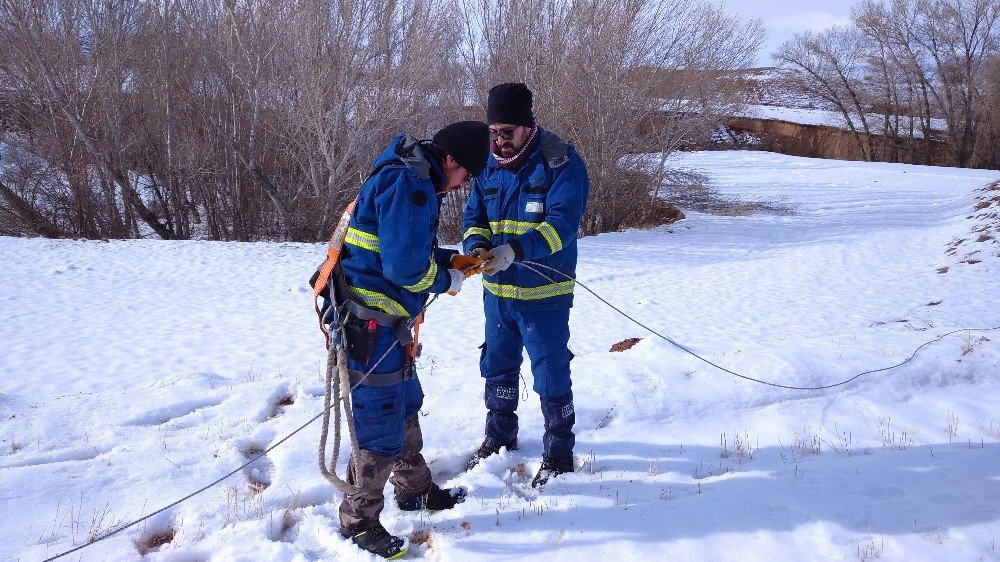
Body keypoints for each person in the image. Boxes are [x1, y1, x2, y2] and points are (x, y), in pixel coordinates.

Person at [334, 121, 489, 559]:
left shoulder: (410, 175)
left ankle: (413, 490)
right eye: (466, 176)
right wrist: (448, 279)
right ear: (452, 161)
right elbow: (404, 270)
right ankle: (359, 520)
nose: (463, 186)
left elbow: (402, 248)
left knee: (404, 404)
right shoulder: (412, 186)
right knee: (380, 419)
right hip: (371, 326)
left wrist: (452, 259)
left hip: (388, 324)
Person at [461, 83, 590, 488]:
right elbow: (473, 217)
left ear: (528, 125)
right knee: (497, 366)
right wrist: (477, 245)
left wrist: (517, 250)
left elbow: (563, 226)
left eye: (507, 132)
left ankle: (559, 453)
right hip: (497, 296)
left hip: (544, 297)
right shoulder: (487, 165)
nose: (498, 141)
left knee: (551, 373)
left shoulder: (560, 162)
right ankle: (499, 439)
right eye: (493, 132)